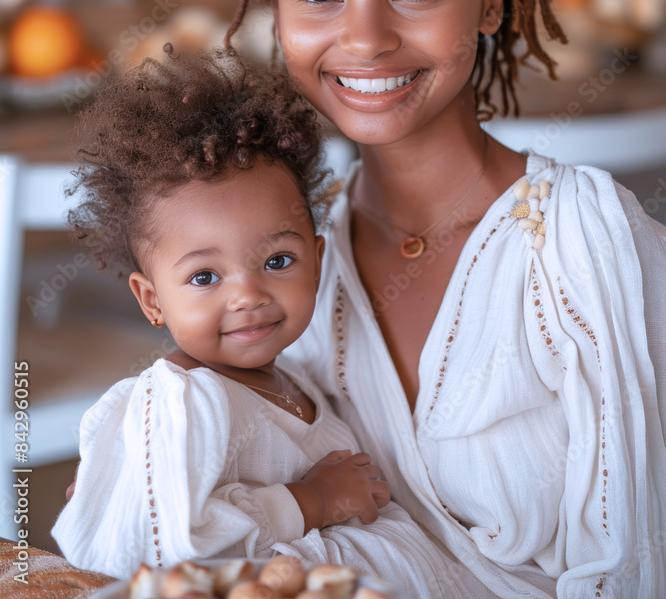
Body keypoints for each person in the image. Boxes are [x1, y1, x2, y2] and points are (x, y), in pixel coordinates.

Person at [180, 0, 666, 598]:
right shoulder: (297, 259)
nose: (364, 39)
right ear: (277, 7)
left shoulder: (577, 244)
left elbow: (636, 564)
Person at [50, 47, 456, 596]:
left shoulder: (297, 380)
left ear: (315, 260)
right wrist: (312, 500)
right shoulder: (183, 400)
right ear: (152, 300)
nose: (247, 295)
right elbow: (160, 545)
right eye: (203, 278)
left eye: (278, 262)